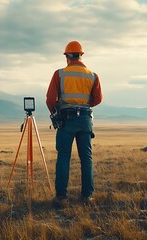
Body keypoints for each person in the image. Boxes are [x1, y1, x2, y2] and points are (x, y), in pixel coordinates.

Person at [46, 40, 102, 208]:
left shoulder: (59, 74)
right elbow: (98, 99)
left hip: (66, 120)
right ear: (81, 55)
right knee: (86, 158)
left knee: (63, 158)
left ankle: (62, 198)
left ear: (67, 57)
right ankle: (87, 196)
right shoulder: (92, 75)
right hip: (85, 120)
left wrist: (56, 112)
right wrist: (84, 106)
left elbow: (50, 99)